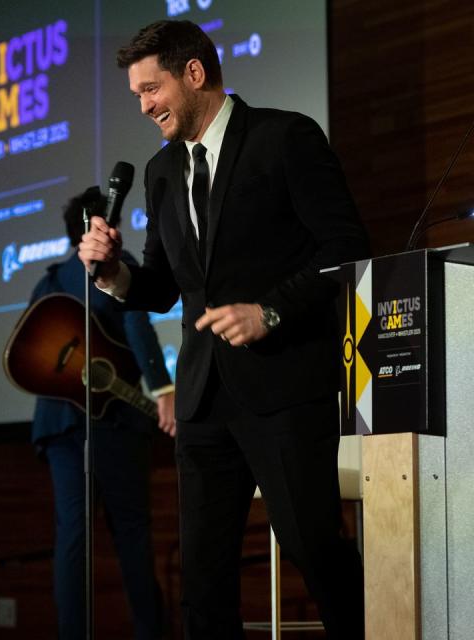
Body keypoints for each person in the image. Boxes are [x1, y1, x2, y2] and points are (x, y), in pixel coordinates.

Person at [78, 21, 369, 639]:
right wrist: (112, 274)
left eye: (150, 89)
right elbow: (161, 285)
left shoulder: (285, 137)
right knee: (203, 583)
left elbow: (345, 250)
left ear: (194, 74)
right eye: (135, 96)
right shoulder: (160, 173)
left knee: (315, 553)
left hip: (285, 390)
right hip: (203, 399)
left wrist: (269, 311)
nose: (144, 106)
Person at [30, 186, 176, 640]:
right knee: (132, 535)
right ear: (98, 228)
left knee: (73, 536)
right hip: (115, 425)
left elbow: (32, 353)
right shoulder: (118, 267)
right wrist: (164, 389)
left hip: (59, 426)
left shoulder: (50, 281)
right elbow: (137, 323)